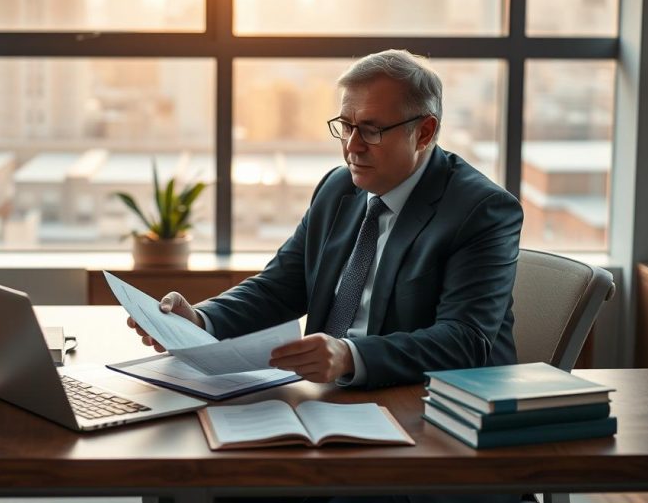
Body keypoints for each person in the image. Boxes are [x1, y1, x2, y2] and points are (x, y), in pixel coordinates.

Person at [128, 48, 523, 389]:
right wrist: (200, 318)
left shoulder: (482, 211)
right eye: (346, 126)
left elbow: (464, 340)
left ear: (424, 132)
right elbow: (281, 285)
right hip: (328, 397)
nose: (351, 147)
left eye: (370, 130)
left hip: (438, 408)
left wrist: (350, 356)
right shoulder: (339, 189)